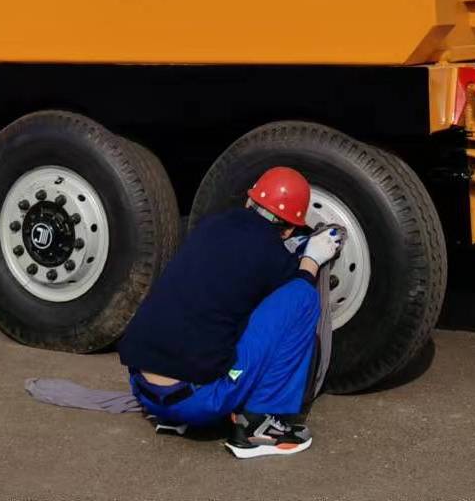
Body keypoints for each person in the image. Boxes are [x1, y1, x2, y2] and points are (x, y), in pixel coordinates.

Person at [119, 166, 344, 458]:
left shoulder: (210, 226)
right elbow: (295, 284)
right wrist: (312, 258)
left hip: (143, 390)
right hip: (195, 401)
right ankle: (260, 426)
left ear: (249, 203)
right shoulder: (272, 254)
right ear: (289, 229)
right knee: (301, 298)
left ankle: (174, 419)